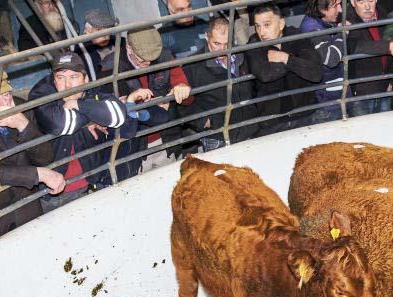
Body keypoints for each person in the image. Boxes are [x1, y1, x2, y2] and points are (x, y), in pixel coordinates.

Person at [0, 65, 65, 250]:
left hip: (28, 210)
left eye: (6, 93)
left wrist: (24, 125)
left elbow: (45, 157)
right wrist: (38, 175)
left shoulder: (20, 106)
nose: (6, 101)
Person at [28, 52, 137, 210]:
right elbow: (60, 124)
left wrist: (79, 105)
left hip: (89, 183)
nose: (67, 85)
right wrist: (94, 116)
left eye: (73, 77)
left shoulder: (91, 89)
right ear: (53, 80)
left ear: (85, 79)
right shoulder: (41, 92)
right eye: (60, 77)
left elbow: (119, 116)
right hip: (53, 193)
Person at [100, 28, 194, 173]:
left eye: (152, 57)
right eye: (142, 58)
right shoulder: (110, 67)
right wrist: (152, 107)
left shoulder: (165, 57)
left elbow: (189, 100)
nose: (148, 62)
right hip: (133, 145)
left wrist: (183, 89)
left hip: (166, 140)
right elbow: (112, 113)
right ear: (129, 47)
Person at [245, 3, 323, 136]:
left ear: (281, 24)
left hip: (304, 115)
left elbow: (315, 73)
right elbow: (266, 74)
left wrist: (285, 58)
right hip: (272, 122)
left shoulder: (297, 37)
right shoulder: (253, 44)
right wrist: (297, 63)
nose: (261, 32)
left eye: (267, 25)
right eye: (257, 26)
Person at [181, 16, 258, 151]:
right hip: (217, 138)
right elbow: (182, 103)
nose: (222, 50)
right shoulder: (192, 66)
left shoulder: (244, 55)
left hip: (250, 131)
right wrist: (204, 121)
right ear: (206, 37)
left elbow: (256, 86)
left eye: (226, 44)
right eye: (216, 43)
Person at [343, 0, 393, 116]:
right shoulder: (346, 19)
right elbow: (353, 46)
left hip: (385, 87)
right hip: (360, 94)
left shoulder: (382, 13)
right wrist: (389, 46)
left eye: (371, 1)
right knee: (363, 131)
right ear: (352, 2)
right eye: (361, 2)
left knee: (385, 128)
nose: (367, 6)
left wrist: (390, 80)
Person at [300, 0, 346, 123]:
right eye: (335, 6)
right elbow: (331, 59)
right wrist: (342, 33)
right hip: (326, 102)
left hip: (333, 95)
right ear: (321, 8)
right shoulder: (311, 29)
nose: (340, 10)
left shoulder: (323, 23)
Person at [81, 9, 119, 76]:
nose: (106, 36)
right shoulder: (81, 50)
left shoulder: (119, 40)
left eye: (108, 29)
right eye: (98, 29)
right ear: (87, 31)